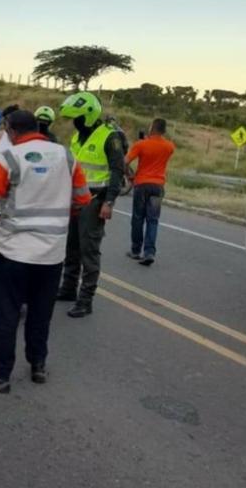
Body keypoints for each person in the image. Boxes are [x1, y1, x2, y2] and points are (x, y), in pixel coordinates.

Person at [0, 110, 91, 392]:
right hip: (51, 256)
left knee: (7, 314)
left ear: (11, 131)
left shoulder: (10, 159)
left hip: (15, 255)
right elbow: (83, 199)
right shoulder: (66, 157)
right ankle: (38, 365)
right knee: (41, 314)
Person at [57, 91, 126, 318]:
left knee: (89, 251)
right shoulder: (78, 137)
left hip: (95, 201)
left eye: (76, 117)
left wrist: (109, 202)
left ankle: (85, 300)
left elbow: (117, 171)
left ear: (87, 115)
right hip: (75, 200)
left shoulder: (109, 137)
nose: (74, 122)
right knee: (71, 246)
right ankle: (68, 289)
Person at [125, 118, 175, 265]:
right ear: (164, 130)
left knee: (138, 218)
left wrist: (130, 176)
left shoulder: (141, 145)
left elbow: (125, 161)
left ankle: (135, 250)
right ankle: (149, 252)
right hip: (158, 186)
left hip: (141, 184)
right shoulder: (169, 146)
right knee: (153, 220)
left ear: (152, 127)